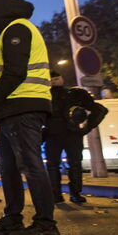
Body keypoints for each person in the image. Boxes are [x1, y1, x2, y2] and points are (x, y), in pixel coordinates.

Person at [0, 0, 59, 235]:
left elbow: (15, 72)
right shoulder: (10, 32)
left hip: (22, 106)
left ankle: (46, 224)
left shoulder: (18, 29)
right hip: (12, 109)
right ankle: (13, 218)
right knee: (8, 166)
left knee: (30, 164)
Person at [44, 70, 107, 204]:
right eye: (52, 79)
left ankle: (58, 195)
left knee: (57, 165)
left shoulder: (45, 96)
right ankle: (73, 194)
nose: (54, 81)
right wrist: (86, 128)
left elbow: (99, 110)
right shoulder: (74, 94)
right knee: (71, 164)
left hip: (57, 134)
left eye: (56, 78)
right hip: (67, 133)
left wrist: (86, 127)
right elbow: (99, 110)